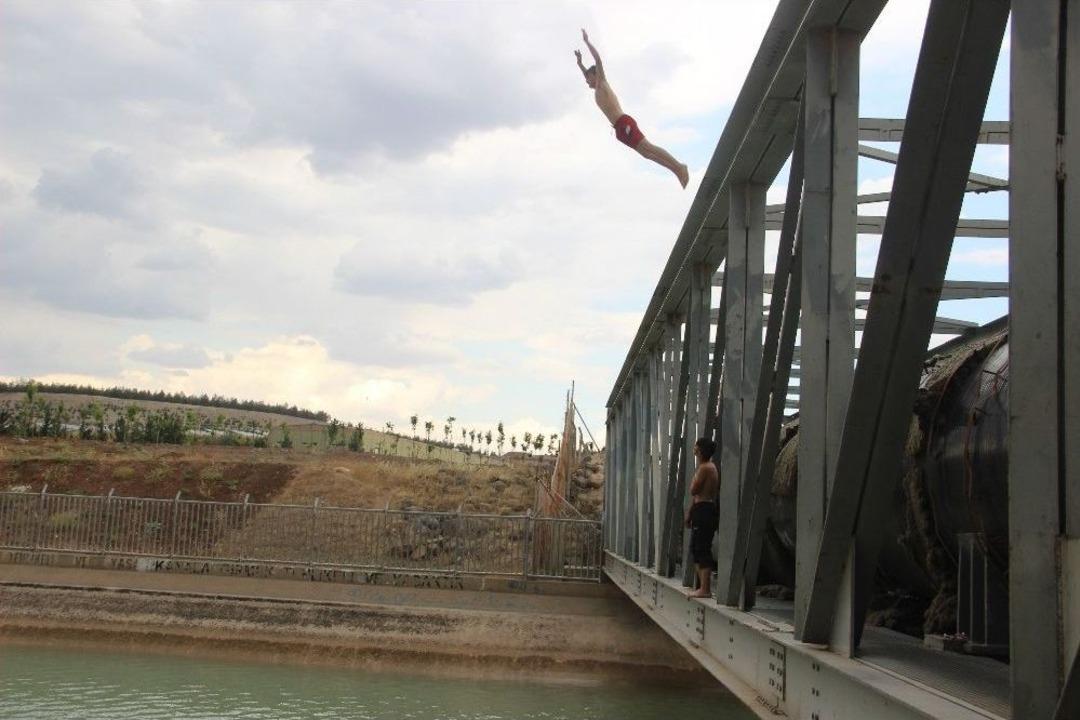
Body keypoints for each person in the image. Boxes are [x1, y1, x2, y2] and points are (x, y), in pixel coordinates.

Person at [574, 29, 689, 188]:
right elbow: (587, 74)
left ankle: (679, 166)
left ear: (595, 75)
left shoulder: (602, 84)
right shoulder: (596, 89)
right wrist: (580, 64)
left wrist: (587, 42)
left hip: (624, 122)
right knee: (646, 154)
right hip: (619, 129)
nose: (586, 81)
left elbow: (598, 59)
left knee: (648, 146)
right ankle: (676, 170)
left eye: (588, 78)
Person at [684, 436, 719, 598]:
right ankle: (703, 587)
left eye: (696, 447)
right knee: (696, 548)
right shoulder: (707, 467)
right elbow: (696, 496)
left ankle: (705, 589)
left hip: (704, 510)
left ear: (700, 450)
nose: (694, 450)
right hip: (702, 508)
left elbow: (693, 490)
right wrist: (690, 513)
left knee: (702, 548)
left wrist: (694, 479)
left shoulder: (705, 468)